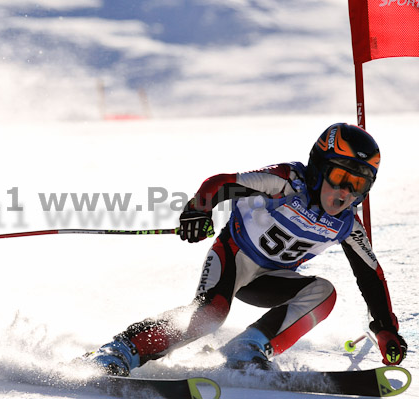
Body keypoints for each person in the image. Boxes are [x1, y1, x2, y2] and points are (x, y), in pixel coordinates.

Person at [85, 122, 407, 375]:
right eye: (339, 177)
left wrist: (385, 329)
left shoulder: (347, 224)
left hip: (269, 280)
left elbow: (371, 276)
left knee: (324, 293)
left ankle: (248, 349)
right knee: (209, 315)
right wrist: (199, 210)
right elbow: (221, 184)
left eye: (357, 185)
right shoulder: (287, 181)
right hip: (234, 257)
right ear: (319, 167)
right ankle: (120, 350)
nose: (345, 193)